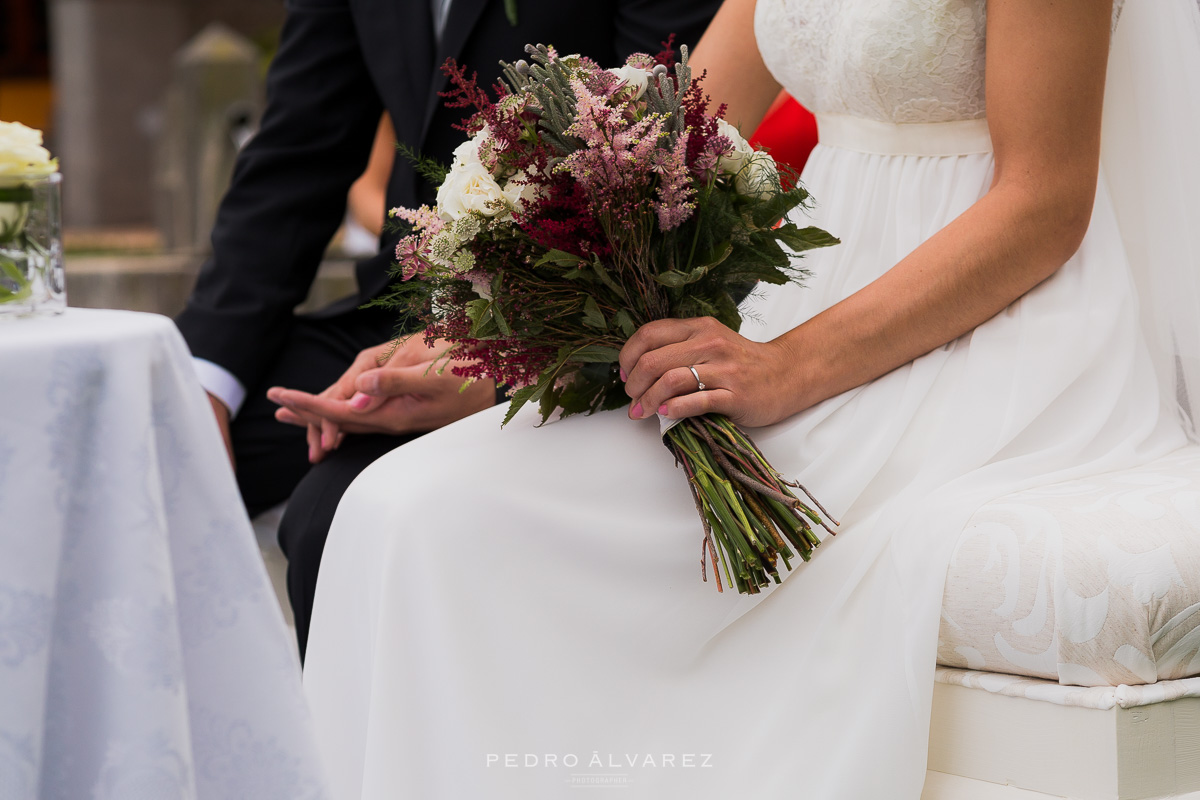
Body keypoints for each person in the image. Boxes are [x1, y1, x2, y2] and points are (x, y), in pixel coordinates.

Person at [302, 0, 1200, 797]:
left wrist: (790, 368)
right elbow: (666, 128)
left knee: (438, 522)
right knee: (401, 506)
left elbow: (1044, 202)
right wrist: (493, 341)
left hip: (987, 337)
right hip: (802, 290)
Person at [173, 0, 722, 656]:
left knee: (336, 518)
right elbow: (300, 149)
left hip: (579, 318)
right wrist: (203, 381)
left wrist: (503, 345)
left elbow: (660, 145)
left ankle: (361, 758)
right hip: (396, 306)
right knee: (149, 462)